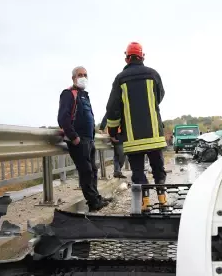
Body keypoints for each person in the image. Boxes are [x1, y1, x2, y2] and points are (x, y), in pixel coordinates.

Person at [105, 42, 167, 211]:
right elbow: (159, 96)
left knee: (138, 172)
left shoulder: (120, 79)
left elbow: (112, 108)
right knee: (158, 168)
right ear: (142, 57)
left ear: (127, 58)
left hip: (133, 138)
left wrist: (112, 130)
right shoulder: (153, 74)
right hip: (154, 134)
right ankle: (162, 200)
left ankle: (144, 204)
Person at [57, 66, 111, 212]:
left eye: (85, 75)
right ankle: (93, 201)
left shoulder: (84, 95)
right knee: (86, 171)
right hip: (78, 141)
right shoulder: (68, 94)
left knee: (93, 170)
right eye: (80, 75)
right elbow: (63, 118)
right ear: (73, 77)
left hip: (89, 140)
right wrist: (74, 137)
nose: (83, 77)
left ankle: (96, 197)